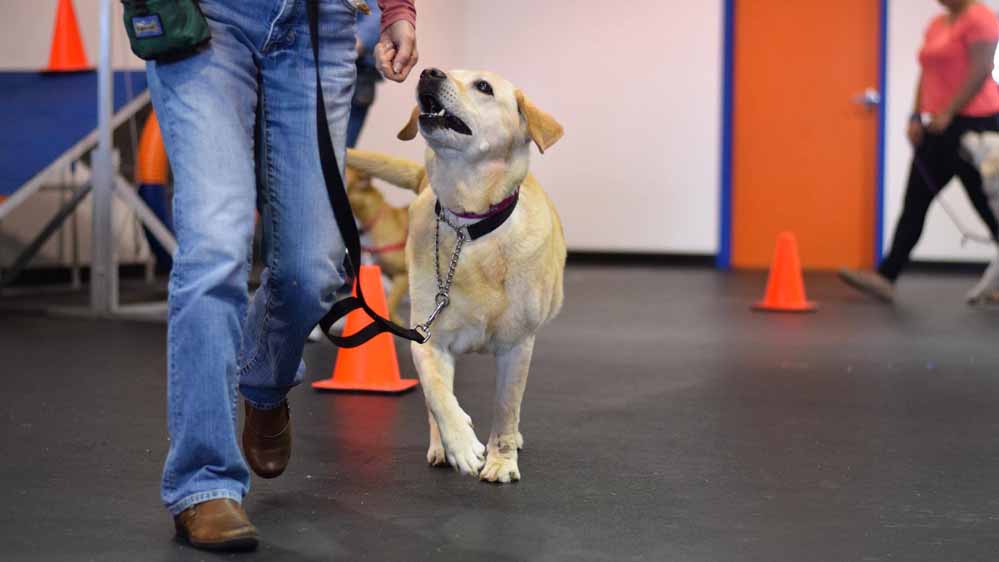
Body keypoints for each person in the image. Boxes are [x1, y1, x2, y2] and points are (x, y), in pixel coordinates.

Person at [146, 0, 417, 551]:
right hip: (209, 18)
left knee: (312, 271)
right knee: (216, 246)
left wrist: (397, 9)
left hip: (321, 24)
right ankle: (204, 482)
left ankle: (266, 378)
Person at [840, 0, 999, 302]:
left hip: (976, 124)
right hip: (938, 125)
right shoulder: (937, 24)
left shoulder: (981, 18)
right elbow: (926, 72)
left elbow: (981, 70)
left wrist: (950, 111)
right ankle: (886, 277)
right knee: (916, 200)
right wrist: (916, 115)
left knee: (989, 206)